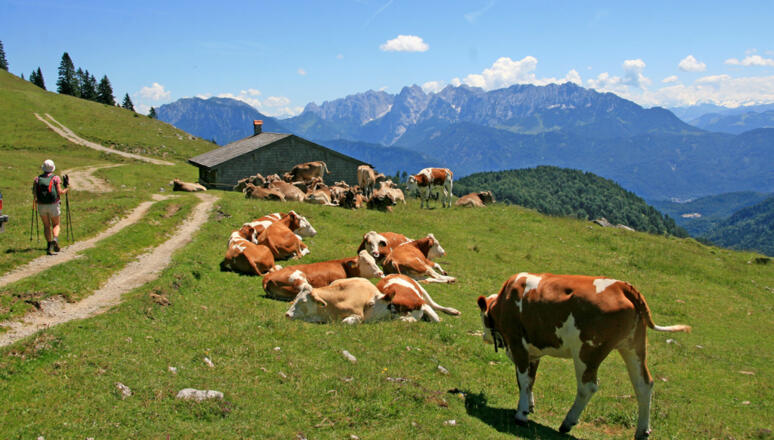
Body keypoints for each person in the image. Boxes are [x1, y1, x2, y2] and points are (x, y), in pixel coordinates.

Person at [32, 159, 69, 255]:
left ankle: (49, 245)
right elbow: (59, 192)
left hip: (41, 205)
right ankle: (55, 239)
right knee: (56, 224)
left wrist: (36, 200)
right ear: (53, 168)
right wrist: (66, 189)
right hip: (53, 204)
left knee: (46, 225)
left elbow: (34, 193)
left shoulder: (37, 179)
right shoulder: (55, 178)